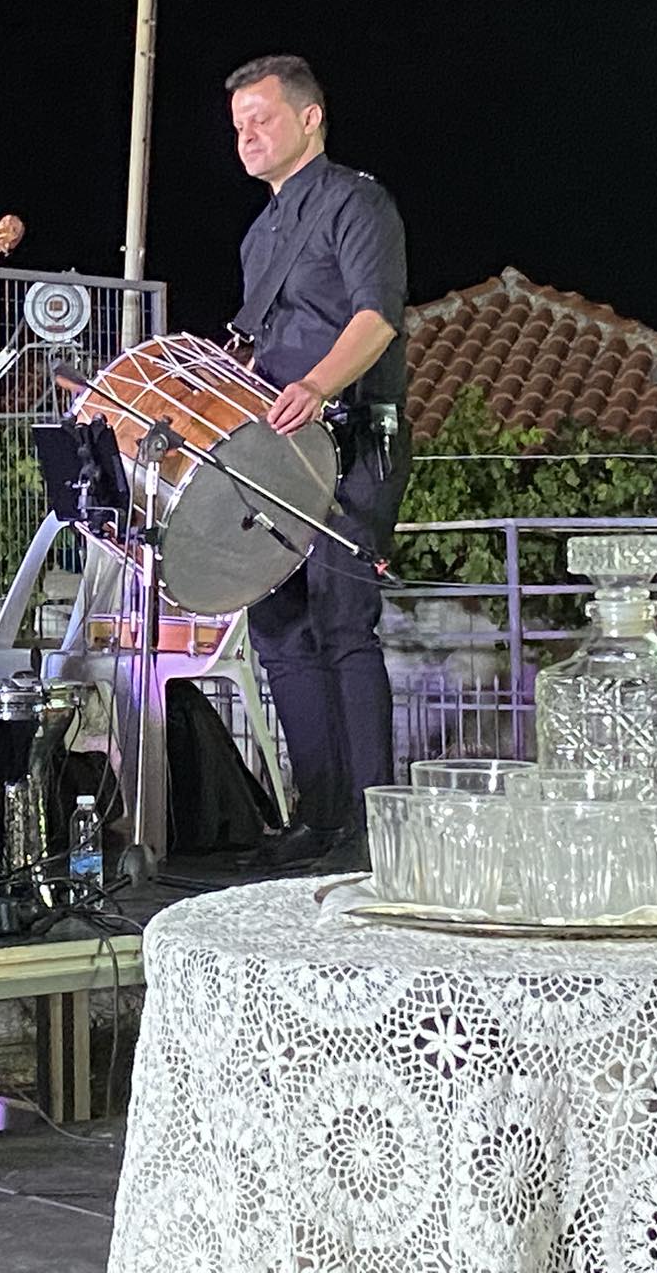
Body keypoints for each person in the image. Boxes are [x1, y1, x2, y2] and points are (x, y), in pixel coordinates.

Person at [223, 54, 411, 868]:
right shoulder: (259, 234)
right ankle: (320, 817)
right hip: (281, 450)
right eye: (238, 126)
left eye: (261, 118)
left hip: (354, 436)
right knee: (278, 626)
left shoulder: (358, 202)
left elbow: (377, 319)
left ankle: (370, 827)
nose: (247, 136)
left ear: (310, 118)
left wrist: (315, 385)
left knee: (342, 623)